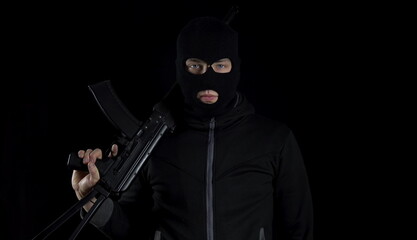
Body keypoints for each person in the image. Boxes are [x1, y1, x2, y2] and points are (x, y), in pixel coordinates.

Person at [71, 16, 313, 240]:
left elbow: (299, 231)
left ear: (235, 67)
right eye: (196, 66)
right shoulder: (154, 143)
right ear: (181, 68)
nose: (208, 79)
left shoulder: (274, 140)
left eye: (219, 66)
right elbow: (129, 230)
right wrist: (89, 200)